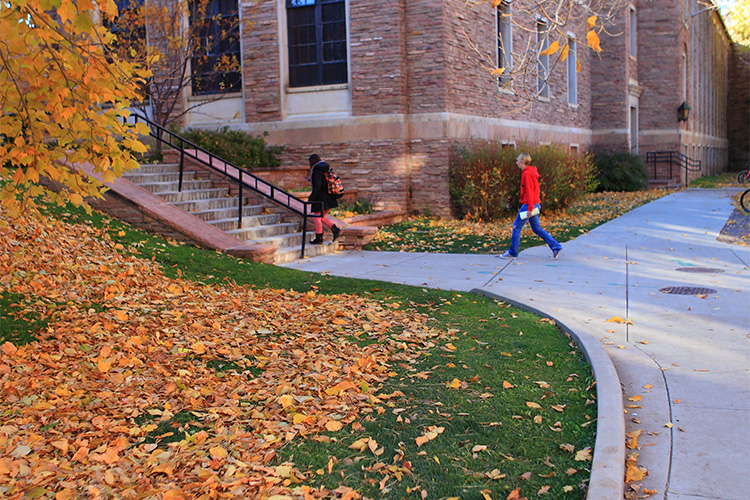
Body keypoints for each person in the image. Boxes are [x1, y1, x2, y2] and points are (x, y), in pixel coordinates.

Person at [500, 153, 562, 259]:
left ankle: (512, 253)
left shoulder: (527, 174)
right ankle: (556, 247)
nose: (516, 163)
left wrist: (529, 208)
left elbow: (529, 191)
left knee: (516, 227)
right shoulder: (530, 172)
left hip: (529, 205)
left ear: (523, 162)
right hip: (534, 204)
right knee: (537, 229)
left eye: (518, 161)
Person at [307, 153, 341, 244]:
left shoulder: (317, 170)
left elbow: (318, 185)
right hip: (330, 196)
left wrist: (311, 198)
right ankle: (335, 229)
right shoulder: (325, 168)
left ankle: (319, 238)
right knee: (321, 217)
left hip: (321, 198)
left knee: (317, 216)